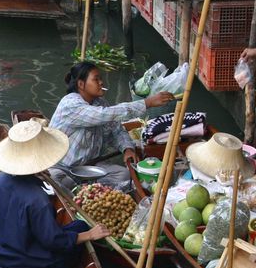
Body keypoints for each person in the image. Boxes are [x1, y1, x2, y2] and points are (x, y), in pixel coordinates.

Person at [0, 120, 110, 268]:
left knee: (79, 225)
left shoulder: (0, 180)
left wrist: (37, 177)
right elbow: (54, 241)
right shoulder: (37, 199)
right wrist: (90, 235)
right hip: (24, 263)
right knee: (82, 231)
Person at [49, 61, 175, 190]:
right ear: (81, 84)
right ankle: (83, 192)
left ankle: (89, 191)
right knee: (58, 181)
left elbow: (117, 130)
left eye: (101, 79)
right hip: (62, 168)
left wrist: (127, 149)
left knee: (124, 175)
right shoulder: (70, 104)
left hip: (89, 168)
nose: (101, 82)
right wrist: (147, 103)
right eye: (96, 79)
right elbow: (105, 114)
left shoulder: (100, 102)